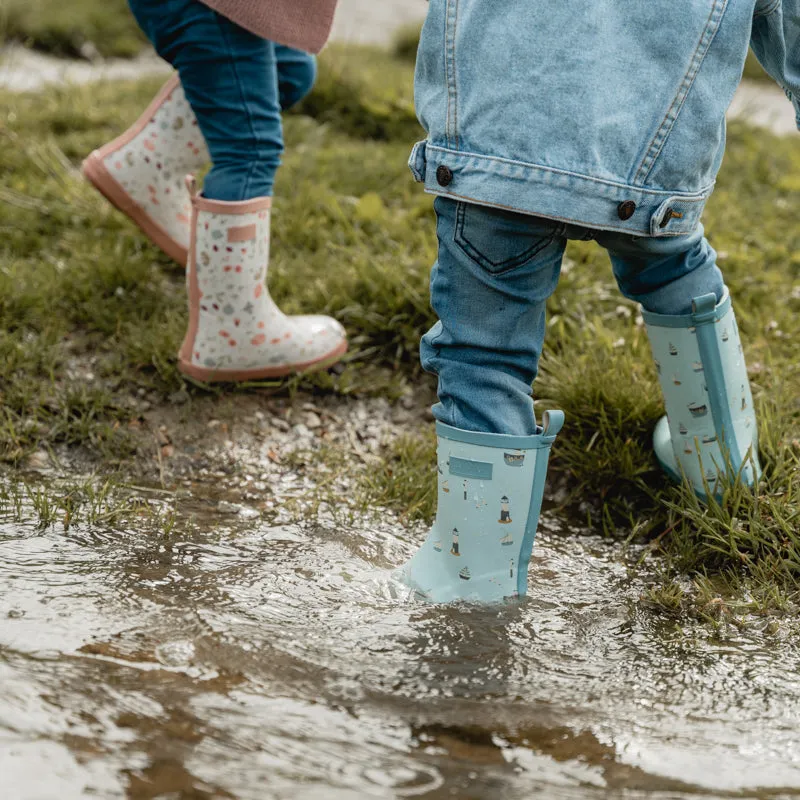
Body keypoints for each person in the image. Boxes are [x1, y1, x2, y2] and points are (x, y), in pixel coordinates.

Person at [401, 1, 799, 603]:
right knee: (674, 267)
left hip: (495, 145)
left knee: (483, 354)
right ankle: (719, 464)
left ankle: (472, 578)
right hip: (652, 164)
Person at [82, 0, 346, 382]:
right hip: (220, 6)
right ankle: (233, 334)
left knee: (289, 70)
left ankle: (145, 166)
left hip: (238, 7)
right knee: (249, 150)